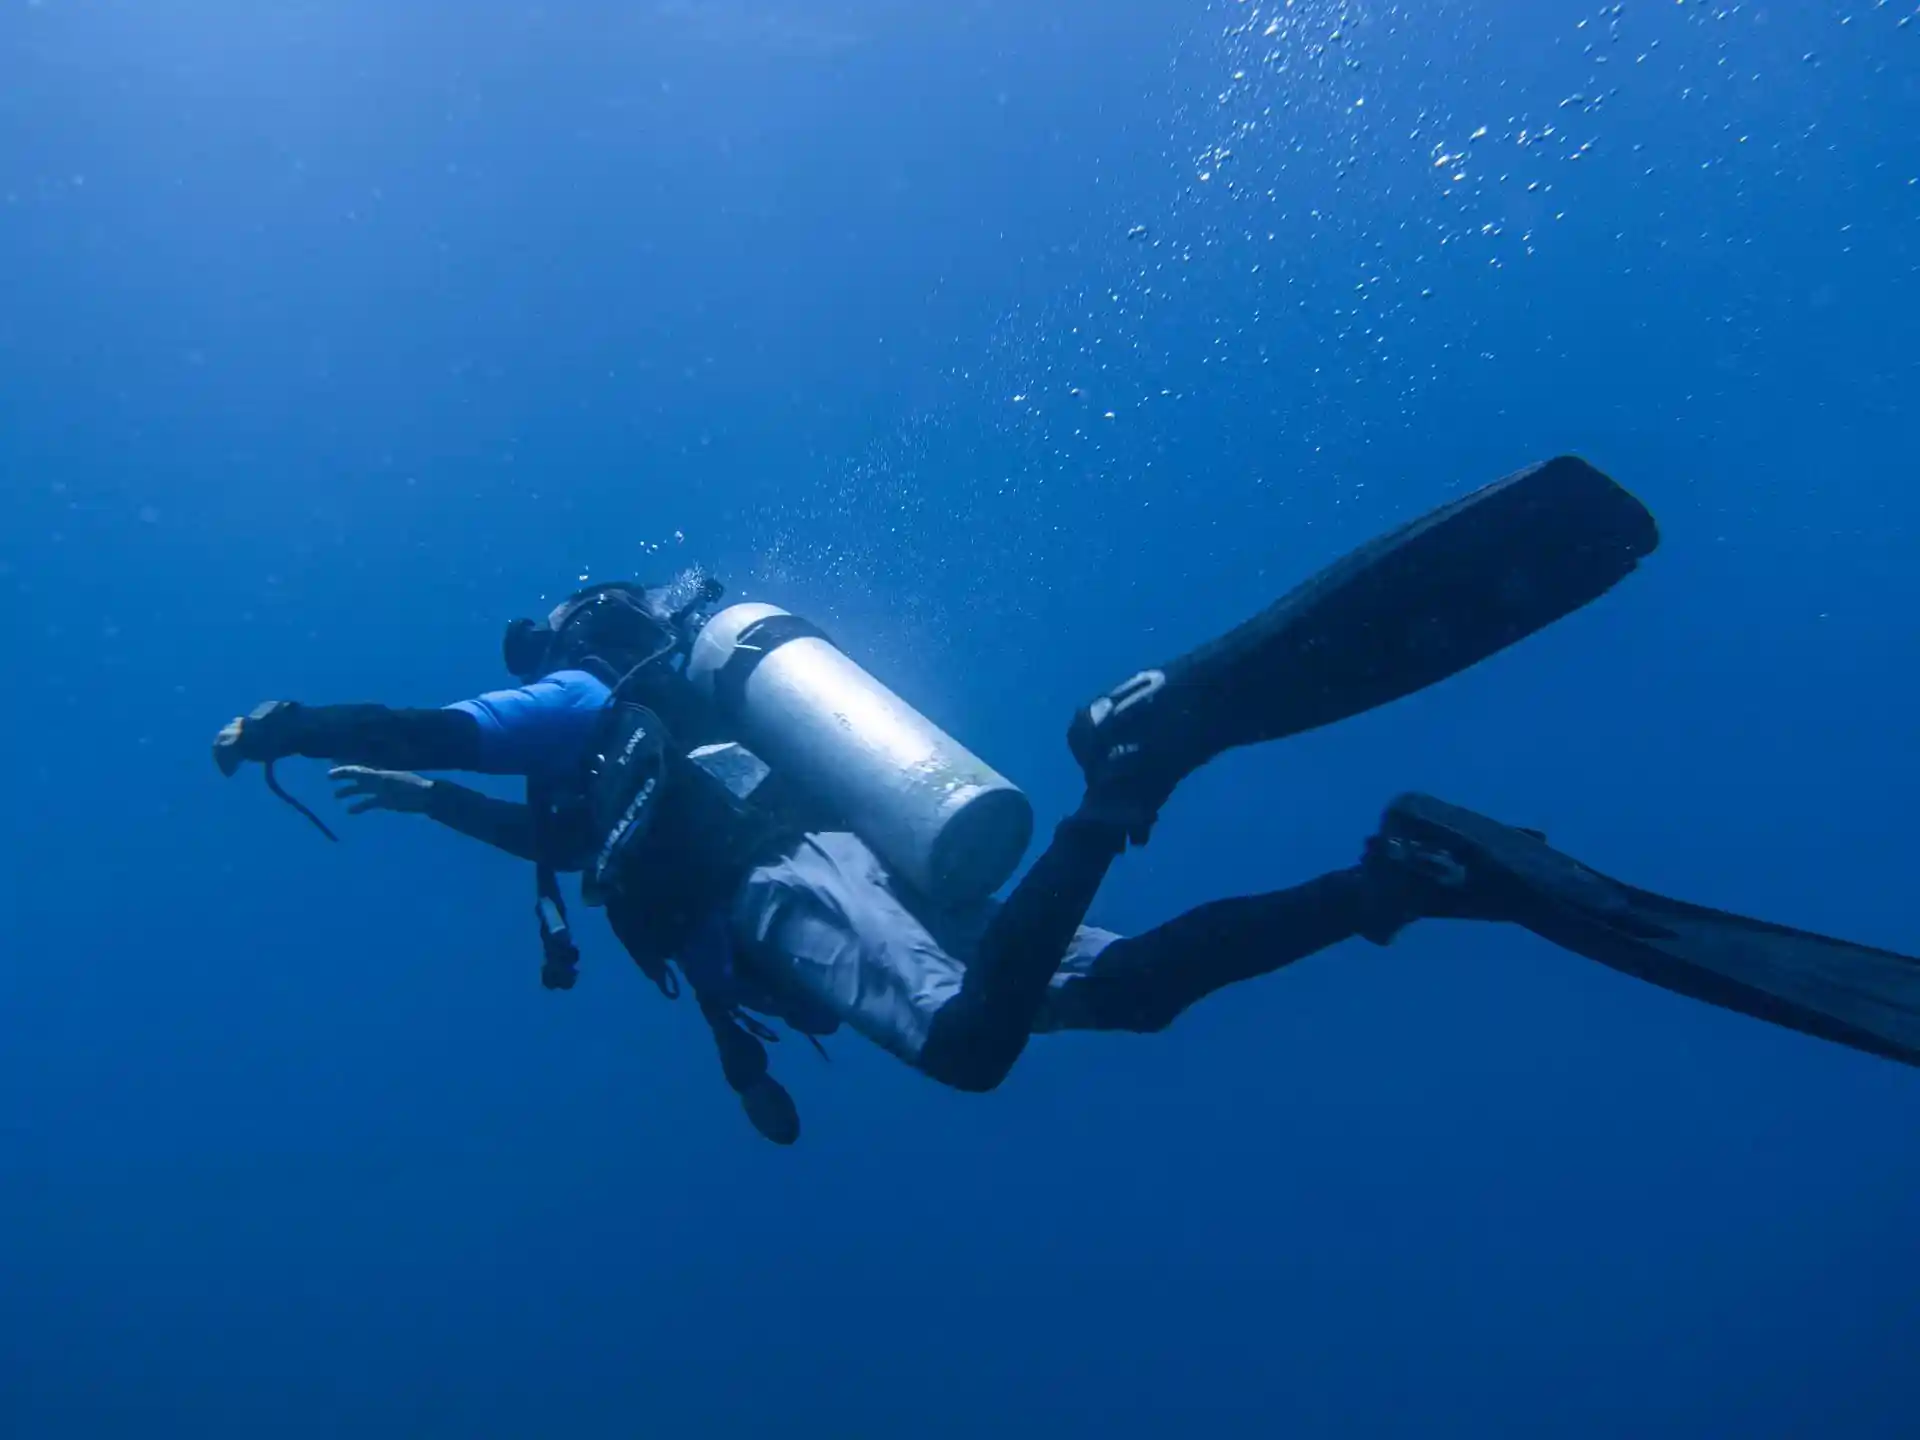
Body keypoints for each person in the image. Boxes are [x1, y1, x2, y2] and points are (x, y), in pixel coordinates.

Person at [215, 458, 1920, 1143]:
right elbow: (537, 830)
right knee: (1123, 994)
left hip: (778, 883)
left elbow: (459, 731)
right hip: (841, 850)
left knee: (968, 1047)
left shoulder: (586, 698)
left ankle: (1139, 774)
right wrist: (430, 811)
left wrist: (299, 723)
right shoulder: (606, 764)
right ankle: (1397, 878)